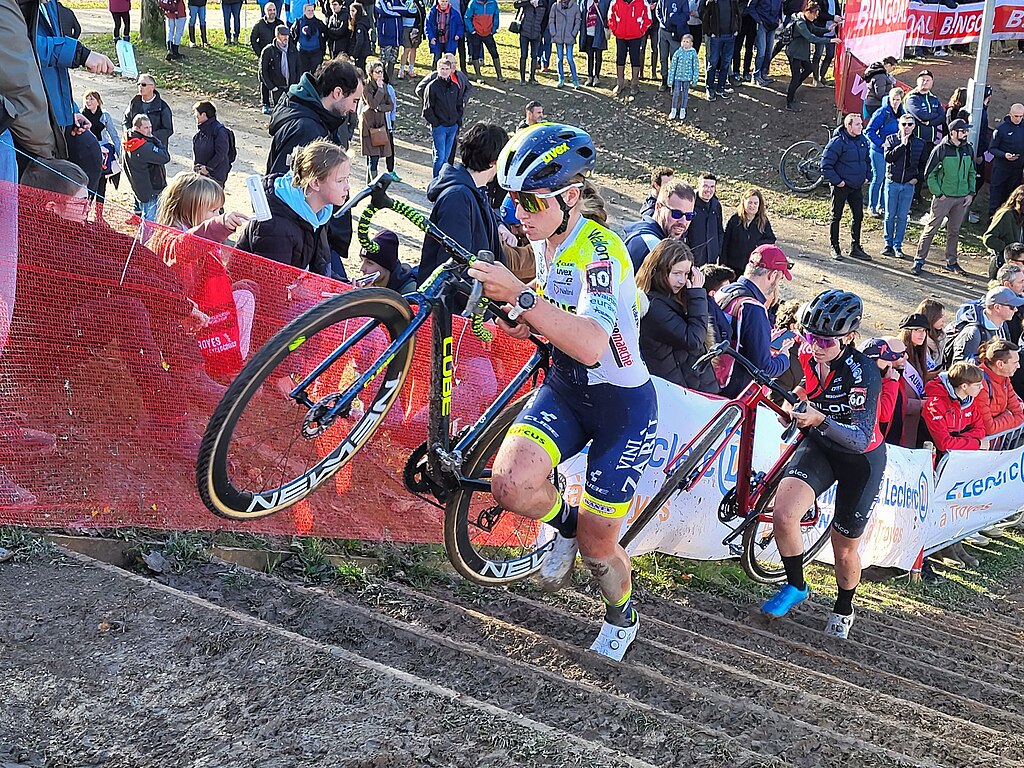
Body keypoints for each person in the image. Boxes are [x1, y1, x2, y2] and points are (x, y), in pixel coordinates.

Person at [466, 123, 658, 662]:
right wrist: (523, 321)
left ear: (570, 198)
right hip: (569, 389)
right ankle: (565, 526)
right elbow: (557, 321)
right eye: (511, 202)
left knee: (601, 550)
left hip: (622, 406)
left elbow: (595, 343)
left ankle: (622, 614)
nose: (518, 214)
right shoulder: (549, 240)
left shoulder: (600, 251)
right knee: (509, 485)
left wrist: (524, 297)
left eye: (530, 202)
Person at [758, 290, 883, 642]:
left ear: (849, 338)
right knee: (783, 515)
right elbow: (808, 386)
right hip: (822, 446)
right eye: (809, 336)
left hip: (860, 460)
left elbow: (859, 437)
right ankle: (796, 585)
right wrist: (800, 397)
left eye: (825, 340)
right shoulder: (808, 354)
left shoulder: (864, 373)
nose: (815, 345)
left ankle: (844, 606)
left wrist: (820, 419)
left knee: (843, 548)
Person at [151, 171, 255, 368]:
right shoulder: (169, 238)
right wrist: (218, 225)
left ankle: (235, 362)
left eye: (219, 211)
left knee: (246, 296)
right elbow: (185, 247)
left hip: (205, 307)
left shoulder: (206, 241)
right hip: (179, 316)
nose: (217, 215)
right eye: (212, 211)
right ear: (187, 208)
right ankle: (228, 367)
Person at [237, 139, 351, 273]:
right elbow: (271, 287)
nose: (347, 187)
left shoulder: (318, 214)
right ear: (315, 183)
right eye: (340, 180)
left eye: (347, 179)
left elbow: (318, 269)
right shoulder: (276, 228)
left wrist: (345, 287)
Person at [419, 122, 506, 281]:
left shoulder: (475, 190)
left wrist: (499, 224)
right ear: (495, 161)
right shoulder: (458, 198)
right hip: (456, 303)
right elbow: (454, 267)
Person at [714, 243, 795, 398]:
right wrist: (784, 357)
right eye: (781, 278)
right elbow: (764, 369)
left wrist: (766, 339)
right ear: (772, 275)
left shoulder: (724, 291)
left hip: (712, 378)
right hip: (733, 394)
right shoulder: (754, 307)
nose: (778, 283)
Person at [637, 239, 717, 392]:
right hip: (676, 390)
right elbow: (693, 340)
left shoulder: (671, 296)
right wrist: (697, 294)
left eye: (687, 274)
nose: (682, 280)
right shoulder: (653, 306)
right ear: (659, 270)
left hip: (686, 383)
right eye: (677, 273)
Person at [267, 57, 362, 175]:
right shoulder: (306, 130)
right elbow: (281, 186)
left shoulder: (323, 120)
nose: (353, 109)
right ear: (338, 93)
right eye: (354, 100)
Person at [912, 118, 976, 277]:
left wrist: (970, 193)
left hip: (961, 198)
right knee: (931, 228)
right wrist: (938, 193)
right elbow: (929, 174)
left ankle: (951, 262)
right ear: (953, 132)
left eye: (966, 130)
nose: (966, 133)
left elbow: (972, 173)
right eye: (963, 131)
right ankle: (919, 260)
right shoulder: (941, 149)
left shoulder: (968, 149)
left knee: (954, 231)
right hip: (944, 197)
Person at [821, 114, 870, 262]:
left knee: (858, 216)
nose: (861, 127)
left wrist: (868, 175)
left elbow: (867, 160)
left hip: (856, 186)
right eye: (857, 125)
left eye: (861, 124)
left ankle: (856, 247)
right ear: (849, 126)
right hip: (841, 186)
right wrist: (838, 181)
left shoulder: (862, 140)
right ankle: (835, 246)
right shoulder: (837, 142)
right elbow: (825, 165)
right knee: (836, 216)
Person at [622, 180, 696, 272]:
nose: (683, 221)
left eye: (689, 216)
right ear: (658, 207)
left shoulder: (660, 239)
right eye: (676, 214)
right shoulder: (652, 246)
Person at [882, 113, 928, 260]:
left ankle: (898, 245)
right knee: (889, 215)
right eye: (904, 124)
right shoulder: (891, 139)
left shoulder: (920, 143)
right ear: (899, 125)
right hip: (892, 183)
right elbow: (888, 157)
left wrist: (917, 179)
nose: (906, 127)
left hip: (908, 185)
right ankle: (888, 244)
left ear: (914, 126)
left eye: (910, 124)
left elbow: (924, 165)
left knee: (902, 217)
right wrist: (902, 145)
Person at [944, 287, 1024, 368]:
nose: (1016, 310)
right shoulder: (973, 332)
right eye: (1012, 307)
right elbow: (960, 368)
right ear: (997, 307)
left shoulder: (1003, 325)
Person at [923, 361, 986, 455]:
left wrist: (956, 440)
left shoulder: (969, 401)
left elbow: (981, 430)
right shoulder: (935, 405)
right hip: (934, 459)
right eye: (978, 385)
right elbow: (943, 444)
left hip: (957, 457)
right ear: (964, 386)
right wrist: (976, 444)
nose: (982, 387)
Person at [421, 56, 466, 177]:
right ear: (438, 69)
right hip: (440, 127)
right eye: (442, 68)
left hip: (452, 126)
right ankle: (436, 181)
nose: (444, 71)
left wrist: (457, 121)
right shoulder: (432, 86)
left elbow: (459, 105)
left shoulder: (454, 86)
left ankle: (443, 180)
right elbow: (427, 109)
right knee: (439, 156)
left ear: (451, 69)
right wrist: (436, 123)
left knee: (446, 157)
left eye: (446, 68)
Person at [782, 2, 831, 112]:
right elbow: (810, 37)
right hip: (795, 54)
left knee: (808, 69)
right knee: (796, 76)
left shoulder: (807, 21)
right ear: (808, 12)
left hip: (802, 54)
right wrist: (829, 40)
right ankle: (789, 102)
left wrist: (828, 29)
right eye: (815, 14)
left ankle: (792, 89)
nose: (816, 17)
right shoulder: (801, 23)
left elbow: (815, 29)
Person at [864, 87, 904, 218]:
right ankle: (872, 206)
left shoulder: (902, 113)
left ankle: (882, 205)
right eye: (893, 99)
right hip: (879, 151)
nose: (895, 102)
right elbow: (869, 130)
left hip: (893, 152)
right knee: (878, 178)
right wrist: (881, 143)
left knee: (888, 180)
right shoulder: (882, 112)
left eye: (898, 100)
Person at [123, 114, 170, 221]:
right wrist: (156, 141)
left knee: (147, 217)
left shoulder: (128, 140)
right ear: (136, 128)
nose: (149, 131)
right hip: (151, 189)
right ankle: (146, 238)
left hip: (140, 187)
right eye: (146, 128)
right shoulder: (143, 146)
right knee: (150, 220)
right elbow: (165, 157)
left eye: (150, 127)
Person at [720, 187, 775, 274]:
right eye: (749, 202)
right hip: (732, 266)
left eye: (755, 203)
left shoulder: (763, 221)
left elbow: (771, 240)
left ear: (759, 205)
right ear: (744, 202)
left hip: (752, 267)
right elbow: (725, 242)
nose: (752, 206)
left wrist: (757, 246)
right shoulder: (734, 220)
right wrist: (722, 264)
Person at [975, 339, 1024, 437]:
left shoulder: (1005, 377)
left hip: (998, 444)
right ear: (1000, 364)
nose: (1018, 366)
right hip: (983, 449)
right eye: (1015, 362)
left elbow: (1020, 416)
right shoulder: (979, 384)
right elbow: (988, 428)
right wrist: (1009, 415)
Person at [81, 89, 121, 204]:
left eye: (91, 99)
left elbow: (114, 135)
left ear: (98, 102)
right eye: (87, 98)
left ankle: (99, 215)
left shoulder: (105, 116)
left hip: (104, 154)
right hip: (87, 152)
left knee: (101, 184)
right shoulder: (81, 114)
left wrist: (120, 154)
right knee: (88, 184)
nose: (88, 101)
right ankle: (85, 212)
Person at [360, 60, 394, 182]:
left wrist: (380, 108)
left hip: (380, 125)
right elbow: (372, 103)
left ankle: (369, 186)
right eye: (377, 72)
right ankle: (373, 186)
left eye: (381, 71)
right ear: (371, 73)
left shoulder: (385, 86)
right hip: (369, 126)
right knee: (372, 158)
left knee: (376, 158)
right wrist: (379, 91)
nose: (380, 74)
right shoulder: (366, 87)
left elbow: (390, 105)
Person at [697, 0, 737, 103]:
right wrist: (710, 32)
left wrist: (737, 28)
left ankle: (721, 87)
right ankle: (710, 88)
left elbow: (737, 13)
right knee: (713, 63)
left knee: (726, 63)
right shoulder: (712, 1)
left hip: (730, 36)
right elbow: (704, 15)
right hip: (716, 36)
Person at [988, 104, 1024, 217]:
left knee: (1012, 196)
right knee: (996, 196)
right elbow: (992, 148)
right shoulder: (1001, 129)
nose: (1018, 119)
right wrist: (1004, 155)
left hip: (1017, 169)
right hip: (1001, 168)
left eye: (1021, 116)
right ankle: (991, 220)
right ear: (1010, 114)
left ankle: (1009, 223)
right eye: (1016, 116)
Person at [983, 186, 1024, 278]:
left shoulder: (1021, 217)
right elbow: (989, 238)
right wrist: (1009, 250)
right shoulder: (1006, 215)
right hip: (1004, 267)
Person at [124, 74, 174, 147]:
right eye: (138, 84)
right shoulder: (134, 103)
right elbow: (126, 121)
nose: (140, 87)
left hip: (155, 148)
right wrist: (129, 133)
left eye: (143, 84)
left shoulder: (162, 107)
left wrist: (149, 136)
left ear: (152, 87)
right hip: (135, 145)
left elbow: (168, 130)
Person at [260, 25, 301, 113]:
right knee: (279, 112)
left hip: (290, 88)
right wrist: (272, 87)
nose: (286, 37)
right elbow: (263, 71)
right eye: (283, 35)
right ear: (277, 36)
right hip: (277, 87)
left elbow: (298, 68)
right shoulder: (269, 51)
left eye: (287, 35)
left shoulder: (293, 50)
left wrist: (296, 84)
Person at [686, 172, 723, 266]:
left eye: (712, 187)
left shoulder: (716, 205)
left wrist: (717, 250)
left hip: (711, 260)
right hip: (693, 260)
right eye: (705, 186)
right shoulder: (690, 203)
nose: (708, 190)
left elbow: (719, 230)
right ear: (699, 186)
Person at [192, 100, 232, 187]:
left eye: (197, 115)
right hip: (202, 174)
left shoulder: (219, 131)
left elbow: (221, 153)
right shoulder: (201, 132)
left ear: (203, 115)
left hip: (215, 176)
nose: (196, 117)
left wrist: (208, 168)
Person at [654, 0, 687, 92]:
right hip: (663, 31)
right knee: (663, 57)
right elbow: (658, 11)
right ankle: (664, 80)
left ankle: (674, 83)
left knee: (675, 59)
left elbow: (686, 15)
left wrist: (675, 20)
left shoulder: (683, 1)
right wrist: (663, 22)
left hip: (675, 32)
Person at [905, 69, 944, 147]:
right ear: (917, 81)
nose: (925, 82)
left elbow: (942, 118)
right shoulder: (912, 98)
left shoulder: (934, 99)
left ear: (932, 83)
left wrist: (928, 123)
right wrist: (936, 115)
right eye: (923, 80)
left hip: (931, 141)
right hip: (915, 141)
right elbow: (922, 116)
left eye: (928, 80)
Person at [463, 0, 501, 79]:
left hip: (488, 33)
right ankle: (478, 76)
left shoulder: (493, 3)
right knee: (475, 54)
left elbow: (496, 16)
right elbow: (467, 17)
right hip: (476, 33)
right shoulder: (473, 3)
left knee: (494, 52)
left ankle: (499, 75)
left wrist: (494, 29)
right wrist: (472, 30)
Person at [548, 0, 580, 88]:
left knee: (570, 58)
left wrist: (574, 33)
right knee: (560, 58)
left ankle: (575, 80)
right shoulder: (555, 6)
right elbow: (551, 20)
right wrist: (553, 32)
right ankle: (561, 79)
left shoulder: (575, 7)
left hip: (569, 36)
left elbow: (577, 22)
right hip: (558, 36)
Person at [514, 0, 547, 85]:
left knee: (534, 56)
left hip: (537, 34)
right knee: (523, 55)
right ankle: (522, 78)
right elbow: (516, 5)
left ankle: (532, 77)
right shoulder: (526, 2)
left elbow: (545, 19)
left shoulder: (543, 4)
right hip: (524, 32)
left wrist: (541, 32)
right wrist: (529, 2)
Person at [666, 32, 698, 121]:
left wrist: (695, 79)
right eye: (683, 41)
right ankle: (673, 109)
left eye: (687, 42)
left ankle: (683, 109)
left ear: (691, 43)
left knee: (685, 93)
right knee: (676, 93)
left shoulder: (693, 53)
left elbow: (695, 66)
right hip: (678, 77)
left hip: (687, 78)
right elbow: (673, 66)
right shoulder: (678, 52)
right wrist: (670, 79)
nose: (685, 43)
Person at [579, 0, 611, 86]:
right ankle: (590, 76)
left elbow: (608, 14)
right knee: (589, 56)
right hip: (588, 33)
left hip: (599, 32)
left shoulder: (605, 1)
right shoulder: (585, 2)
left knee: (598, 55)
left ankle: (596, 76)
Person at [292, 3, 328, 77]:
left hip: (316, 52)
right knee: (303, 75)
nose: (311, 12)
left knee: (316, 74)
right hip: (302, 53)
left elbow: (326, 34)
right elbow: (293, 35)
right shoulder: (298, 22)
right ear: (304, 11)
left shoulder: (318, 23)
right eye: (309, 10)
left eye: (312, 10)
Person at [426, 0, 463, 65]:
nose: (444, 3)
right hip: (437, 39)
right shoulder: (432, 12)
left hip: (450, 39)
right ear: (438, 1)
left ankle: (449, 74)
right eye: (442, 1)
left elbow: (460, 25)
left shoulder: (454, 13)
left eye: (446, 1)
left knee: (449, 60)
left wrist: (458, 34)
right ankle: (435, 73)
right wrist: (430, 37)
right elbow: (427, 25)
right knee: (437, 58)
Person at [916, 297, 946, 370]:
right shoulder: (918, 339)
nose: (944, 320)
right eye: (940, 317)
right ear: (930, 317)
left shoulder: (941, 336)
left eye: (944, 316)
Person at [349, 3, 373, 70]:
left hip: (361, 52)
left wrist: (354, 54)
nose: (351, 13)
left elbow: (360, 41)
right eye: (350, 11)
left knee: (359, 69)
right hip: (361, 52)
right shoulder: (356, 22)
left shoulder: (360, 25)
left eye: (353, 11)